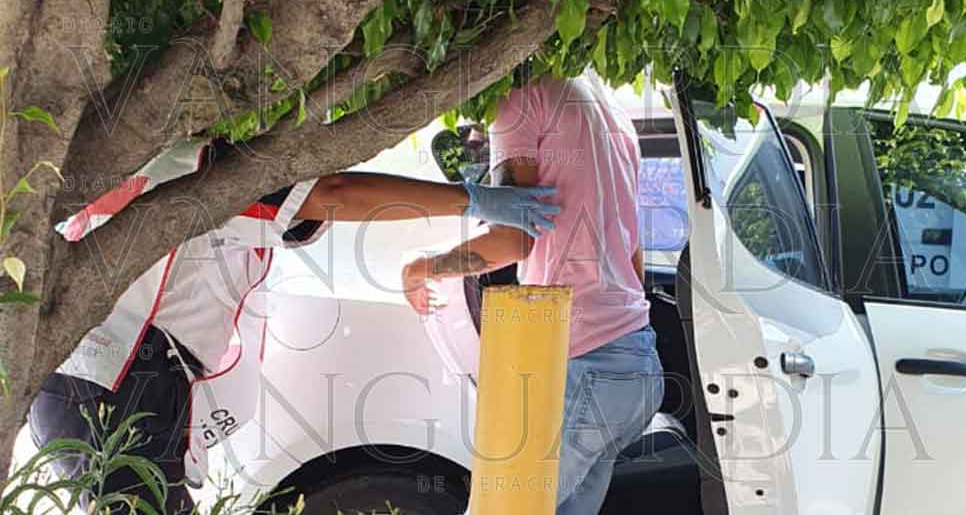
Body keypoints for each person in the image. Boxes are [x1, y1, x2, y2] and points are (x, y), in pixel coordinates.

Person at [29, 138, 560, 514]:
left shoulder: (157, 156)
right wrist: (473, 202)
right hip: (120, 382)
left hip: (84, 378)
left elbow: (322, 206)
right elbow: (334, 195)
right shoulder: (213, 173)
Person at [401, 73, 663, 514]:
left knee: (499, 508)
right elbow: (633, 252)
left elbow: (514, 239)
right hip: (637, 363)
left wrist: (421, 268)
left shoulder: (522, 99)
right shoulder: (611, 111)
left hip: (585, 366)